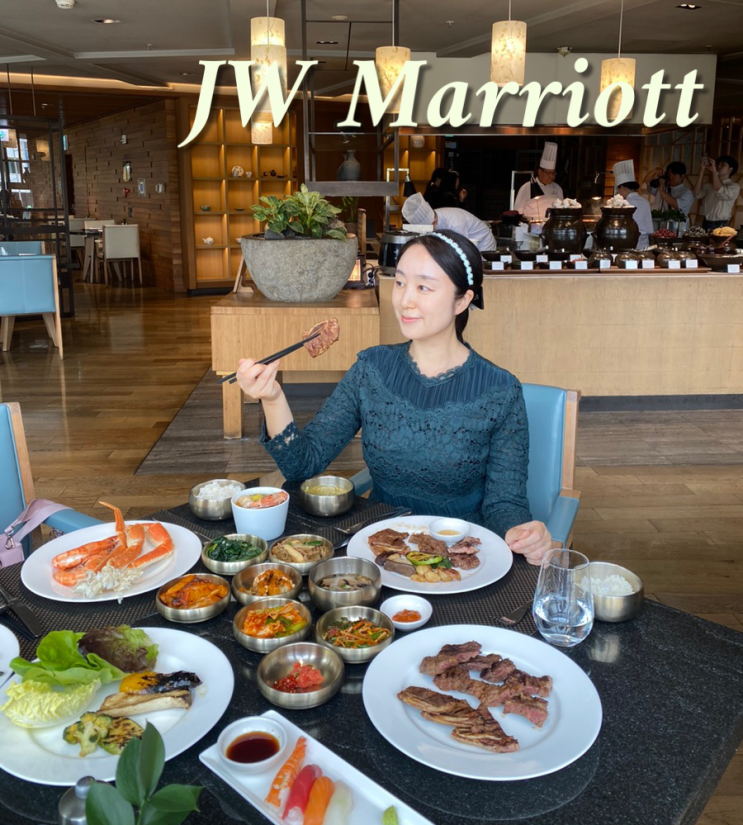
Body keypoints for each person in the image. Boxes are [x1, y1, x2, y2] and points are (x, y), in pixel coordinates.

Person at [235, 230, 552, 565]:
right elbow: (302, 463)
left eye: (423, 287)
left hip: (459, 559)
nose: (404, 300)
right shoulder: (372, 369)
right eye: (400, 283)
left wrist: (522, 534)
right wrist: (272, 397)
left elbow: (505, 504)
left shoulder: (500, 390)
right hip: (380, 550)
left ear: (462, 301)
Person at [401, 192, 496, 253]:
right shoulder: (432, 216)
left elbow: (461, 249)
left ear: (434, 221)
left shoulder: (455, 223)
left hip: (483, 243)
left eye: (429, 228)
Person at [513, 142, 563, 222]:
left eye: (553, 173)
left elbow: (561, 211)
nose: (552, 176)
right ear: (540, 172)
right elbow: (518, 212)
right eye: (549, 173)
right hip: (530, 225)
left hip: (551, 225)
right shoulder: (526, 187)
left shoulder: (557, 188)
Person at [612, 160, 654, 249]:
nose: (618, 192)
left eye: (618, 189)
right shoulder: (645, 202)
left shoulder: (625, 204)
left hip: (629, 245)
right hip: (645, 245)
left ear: (623, 188)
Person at [693, 154, 740, 230]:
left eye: (723, 164)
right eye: (718, 164)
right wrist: (702, 170)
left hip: (719, 224)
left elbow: (719, 190)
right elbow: (696, 193)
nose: (718, 166)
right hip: (704, 222)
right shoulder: (710, 185)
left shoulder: (734, 187)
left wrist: (714, 172)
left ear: (730, 169)